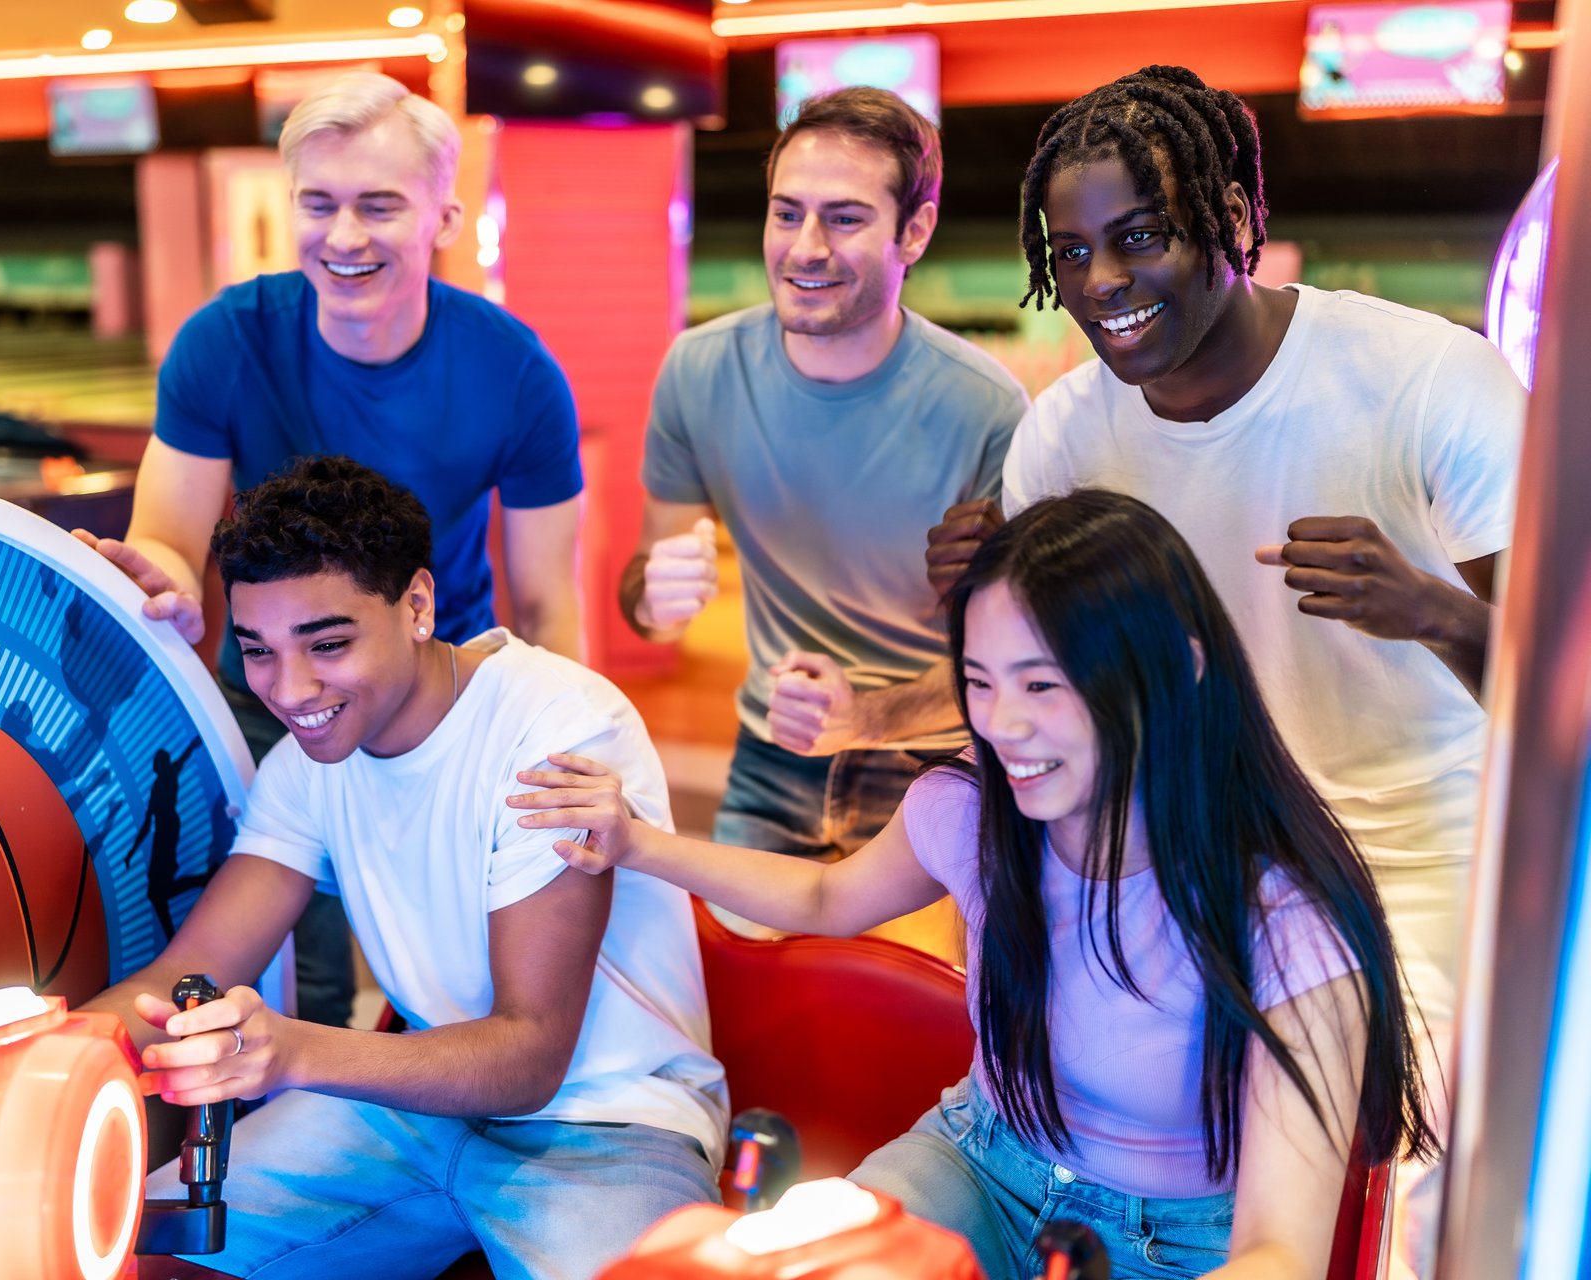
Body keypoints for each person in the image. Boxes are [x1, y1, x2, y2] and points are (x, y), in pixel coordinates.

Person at [519, 490, 1434, 1280]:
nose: (1002, 726)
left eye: (1043, 685)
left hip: (1188, 1245)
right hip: (977, 1163)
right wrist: (635, 843)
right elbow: (824, 900)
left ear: (1180, 670)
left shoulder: (1288, 920)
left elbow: (1280, 1251)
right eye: (980, 682)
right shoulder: (975, 806)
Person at [925, 65, 1522, 1271]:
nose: (1101, 284)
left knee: (1391, 1171)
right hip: (1180, 852)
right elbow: (1034, 687)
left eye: (1140, 237)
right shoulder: (1070, 429)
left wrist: (1436, 611)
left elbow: (1564, 692)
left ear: (1233, 218)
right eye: (1073, 249)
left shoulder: (1427, 383)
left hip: (1404, 857)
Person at [0, 456, 725, 1280]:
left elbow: (528, 1057)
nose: (291, 688)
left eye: (327, 643)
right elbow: (184, 976)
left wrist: (286, 1054)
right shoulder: (305, 767)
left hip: (614, 1121)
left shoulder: (554, 731)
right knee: (120, 1243)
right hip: (414, 1113)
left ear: (418, 604)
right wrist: (3, 1047)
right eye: (258, 649)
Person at [82, 70, 586, 1026]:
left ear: (443, 217)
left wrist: (564, 754)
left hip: (445, 704)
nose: (344, 237)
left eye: (379, 206)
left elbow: (551, 606)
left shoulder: (516, 374)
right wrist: (162, 580)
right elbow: (168, 537)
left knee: (462, 968)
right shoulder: (223, 342)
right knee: (289, 964)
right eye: (319, 204)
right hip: (275, 693)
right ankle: (283, 1131)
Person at [623, 86, 1026, 863]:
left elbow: (1019, 659)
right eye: (786, 213)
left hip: (937, 763)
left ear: (915, 231)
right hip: (771, 747)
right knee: (740, 977)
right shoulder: (700, 369)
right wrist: (653, 596)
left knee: (925, 988)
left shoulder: (987, 409)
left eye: (843, 218)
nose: (805, 246)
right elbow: (650, 601)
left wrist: (864, 719)